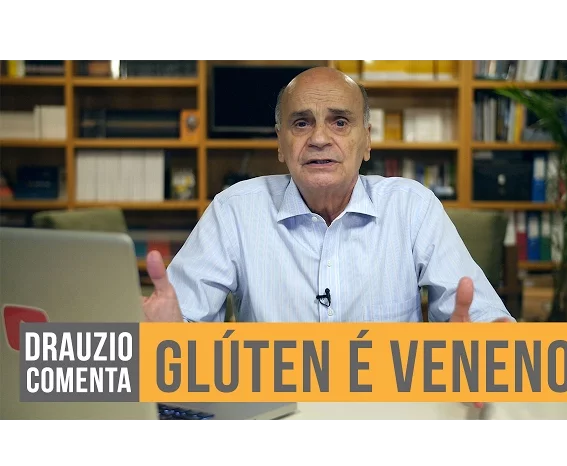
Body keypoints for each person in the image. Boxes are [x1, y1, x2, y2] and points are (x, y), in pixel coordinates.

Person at [142, 66, 514, 325]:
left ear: (366, 141)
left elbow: (482, 318)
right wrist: (170, 332)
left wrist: (487, 338)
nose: (319, 138)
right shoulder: (233, 211)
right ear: (281, 144)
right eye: (301, 123)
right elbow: (179, 326)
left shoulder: (413, 207)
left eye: (339, 122)